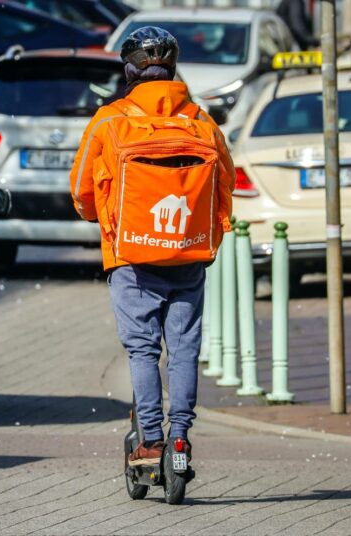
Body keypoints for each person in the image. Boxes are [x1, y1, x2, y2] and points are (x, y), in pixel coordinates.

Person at [69, 26, 235, 467]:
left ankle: (151, 440)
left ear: (128, 70)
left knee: (143, 348)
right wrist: (207, 238)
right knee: (182, 349)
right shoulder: (201, 121)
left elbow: (82, 189)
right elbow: (226, 185)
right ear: (174, 70)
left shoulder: (109, 120)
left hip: (131, 255)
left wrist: (101, 220)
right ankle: (180, 437)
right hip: (188, 254)